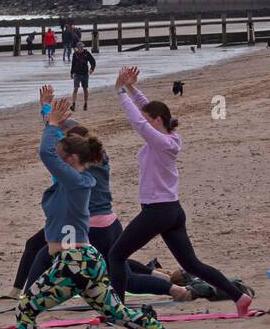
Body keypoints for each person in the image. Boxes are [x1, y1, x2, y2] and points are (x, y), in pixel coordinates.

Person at [8, 99, 189, 329]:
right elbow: (55, 149)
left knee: (26, 306)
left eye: (62, 155)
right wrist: (49, 114)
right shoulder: (69, 179)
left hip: (74, 262)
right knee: (118, 313)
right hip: (85, 260)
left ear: (70, 160)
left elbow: (47, 152)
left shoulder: (77, 182)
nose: (56, 157)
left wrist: (53, 123)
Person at [8, 86, 198, 303]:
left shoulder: (74, 172)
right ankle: (174, 288)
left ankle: (28, 299)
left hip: (91, 227)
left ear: (74, 154)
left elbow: (48, 150)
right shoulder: (98, 156)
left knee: (46, 254)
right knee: (120, 270)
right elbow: (67, 127)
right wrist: (47, 110)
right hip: (110, 224)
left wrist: (50, 117)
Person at [107, 67, 254, 315]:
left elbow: (138, 120)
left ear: (156, 122)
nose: (145, 123)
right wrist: (132, 88)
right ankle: (238, 296)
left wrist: (121, 92)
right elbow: (151, 111)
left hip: (158, 211)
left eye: (149, 120)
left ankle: (118, 311)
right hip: (172, 210)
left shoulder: (161, 142)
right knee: (191, 264)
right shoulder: (170, 136)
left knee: (116, 255)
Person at [69, 41, 96, 110]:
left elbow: (93, 61)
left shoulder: (86, 53)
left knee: (85, 89)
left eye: (82, 47)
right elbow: (73, 64)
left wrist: (91, 69)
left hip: (85, 74)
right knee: (75, 89)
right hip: (77, 74)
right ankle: (73, 104)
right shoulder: (75, 54)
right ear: (77, 48)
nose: (81, 48)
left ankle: (85, 104)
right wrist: (71, 73)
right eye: (80, 47)